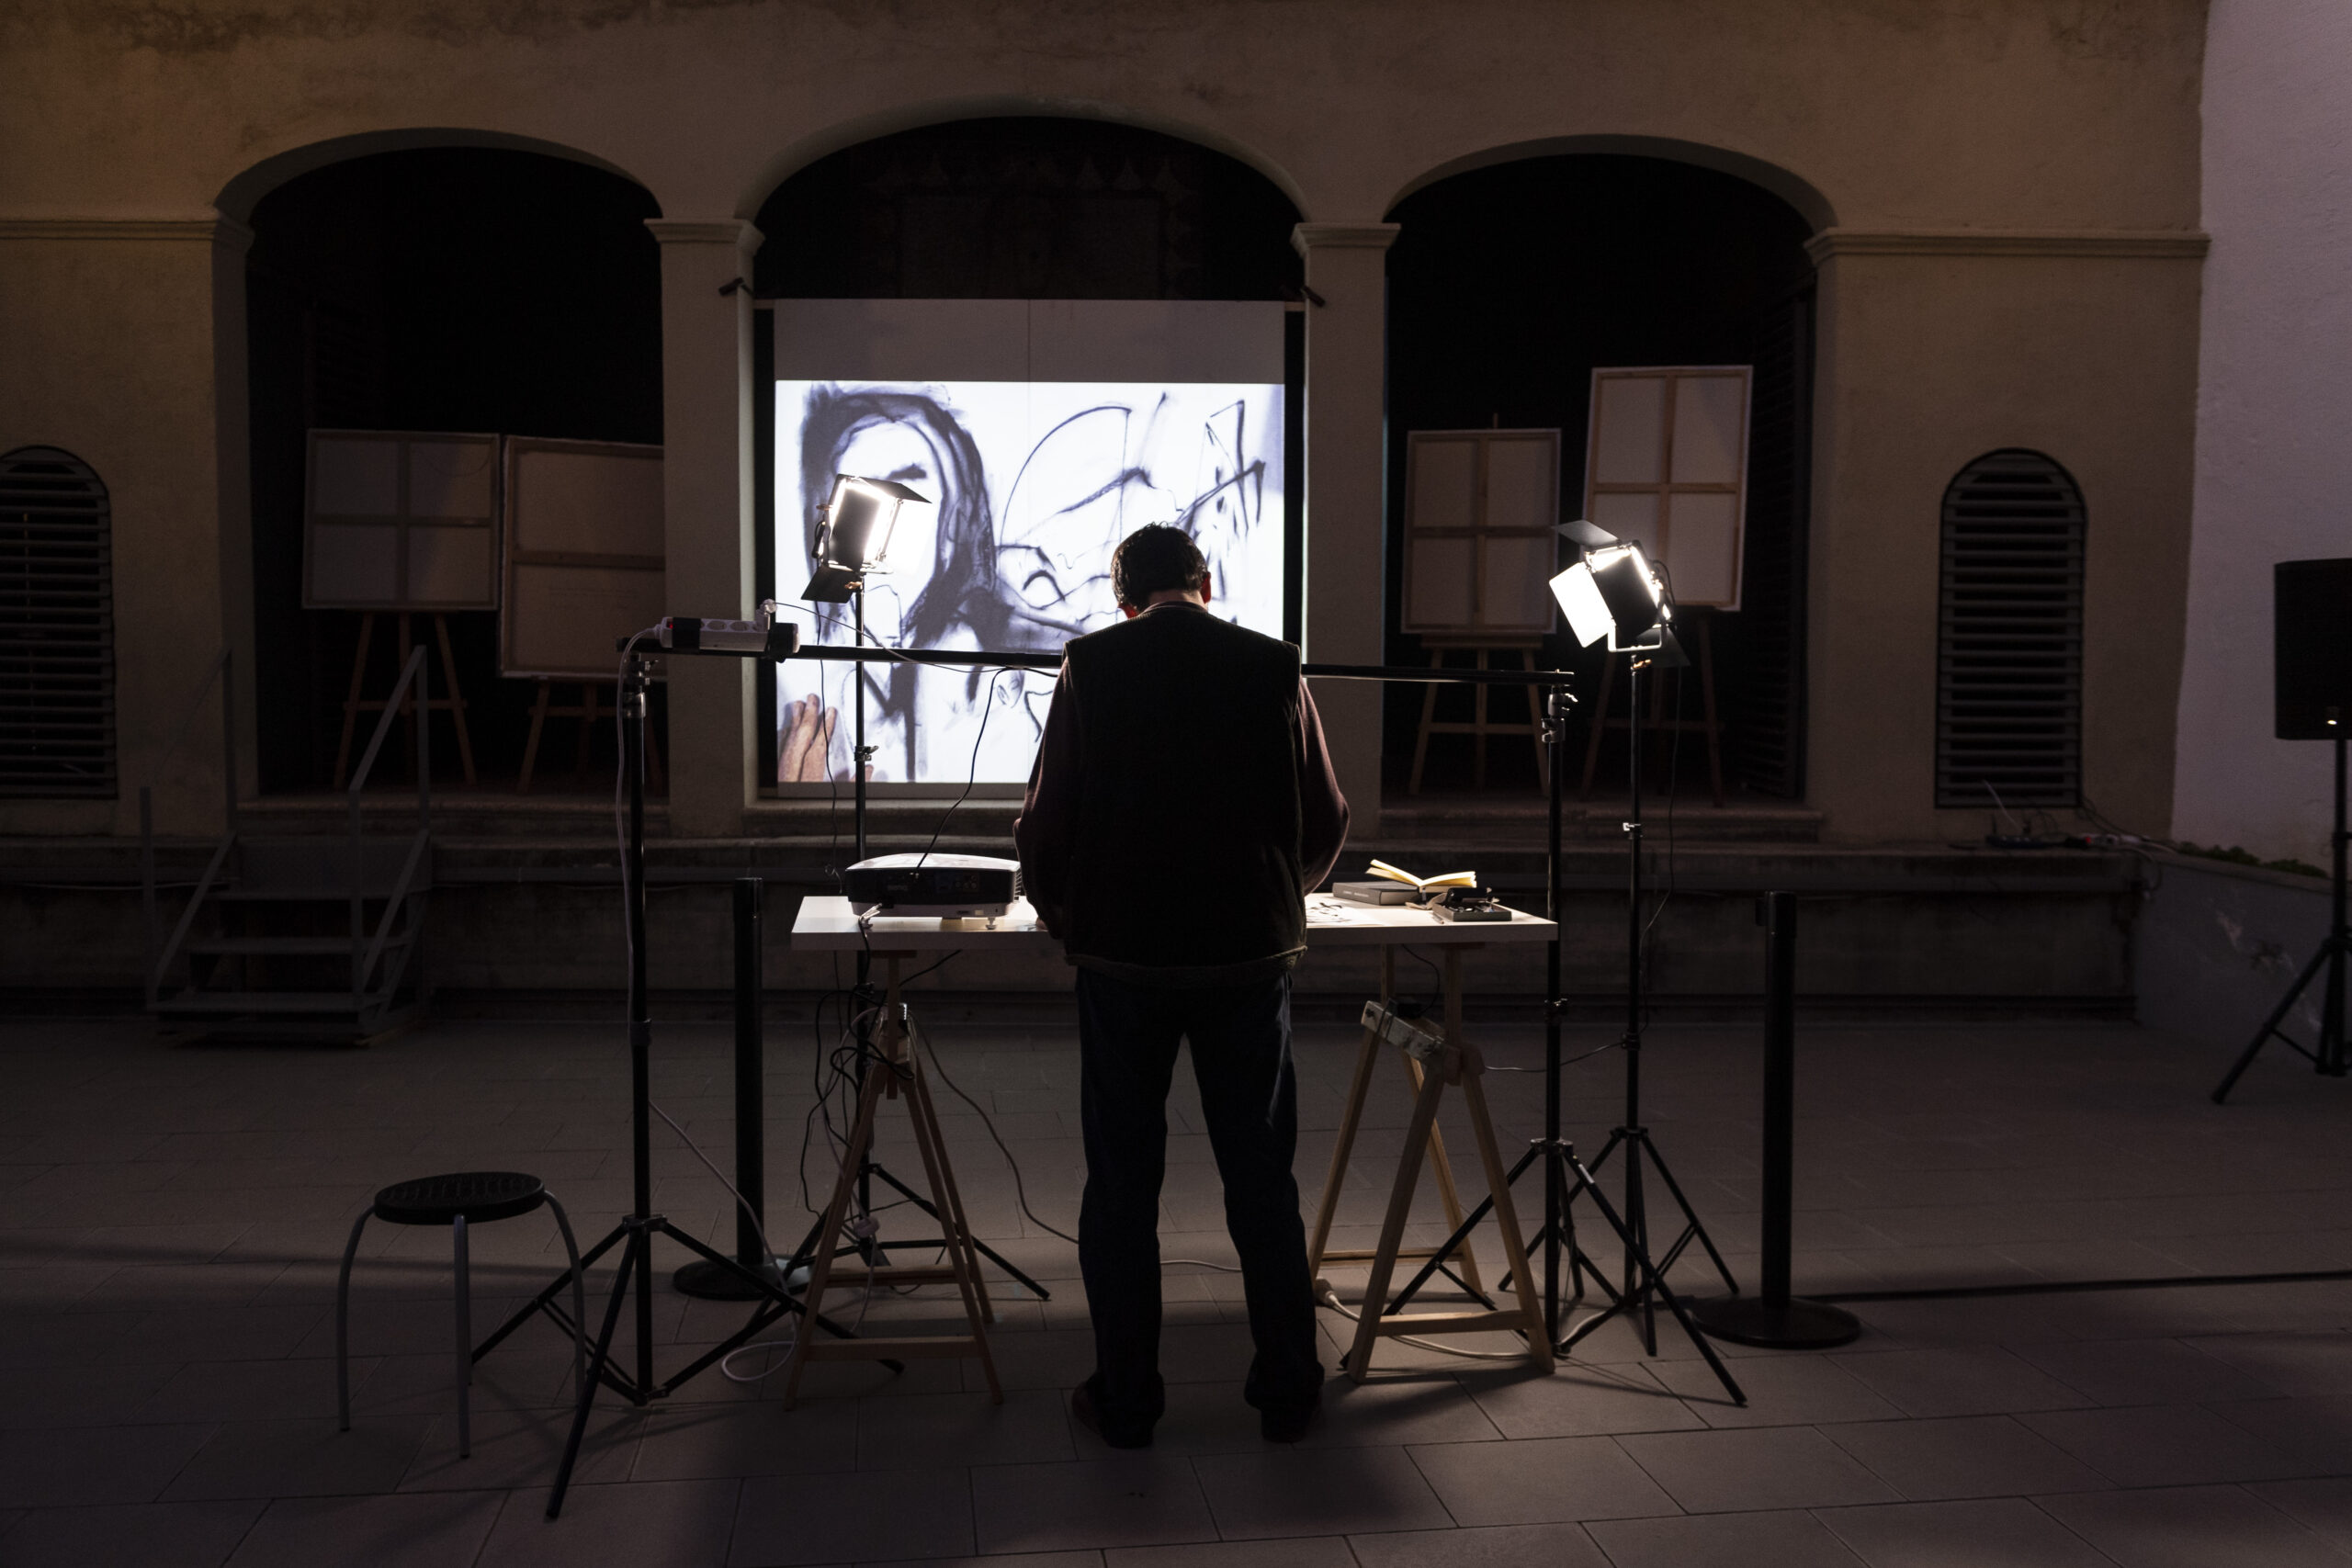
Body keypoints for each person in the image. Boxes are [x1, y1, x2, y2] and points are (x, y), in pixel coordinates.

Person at [1012, 524, 1350, 1448]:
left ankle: (1126, 1402)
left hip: (1124, 956)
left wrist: (1066, 914)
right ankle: (1288, 1390)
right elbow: (1326, 815)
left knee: (1123, 1181)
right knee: (1261, 1175)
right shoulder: (1275, 663)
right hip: (1248, 957)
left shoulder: (1090, 663)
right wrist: (1280, 897)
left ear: (1124, 599)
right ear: (1207, 583)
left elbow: (1045, 823)